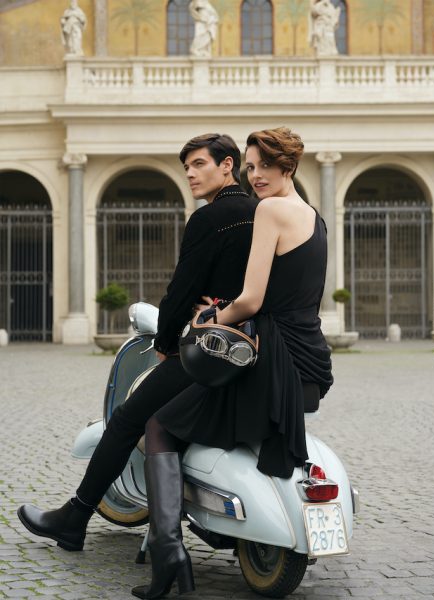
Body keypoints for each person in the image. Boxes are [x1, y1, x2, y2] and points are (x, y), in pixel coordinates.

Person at [17, 134, 258, 562]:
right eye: (186, 167)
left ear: (228, 165)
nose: (190, 174)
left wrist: (166, 343)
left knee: (127, 419)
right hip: (258, 347)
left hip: (212, 348)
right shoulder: (263, 212)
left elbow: (182, 289)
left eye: (199, 164)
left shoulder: (210, 218)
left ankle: (75, 518)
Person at [131, 127, 333, 599]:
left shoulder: (269, 210)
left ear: (288, 167)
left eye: (265, 166)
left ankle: (168, 554)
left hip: (270, 362)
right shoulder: (313, 216)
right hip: (310, 362)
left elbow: (252, 299)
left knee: (159, 426)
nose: (255, 175)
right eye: (251, 166)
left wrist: (207, 319)